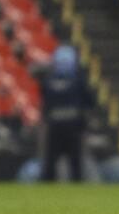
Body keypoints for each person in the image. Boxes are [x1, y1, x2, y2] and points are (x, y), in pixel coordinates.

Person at [40, 45, 95, 182]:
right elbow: (90, 101)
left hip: (55, 125)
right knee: (75, 163)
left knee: (50, 162)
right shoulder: (78, 81)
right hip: (73, 126)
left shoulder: (48, 81)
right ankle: (76, 188)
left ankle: (46, 190)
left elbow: (45, 102)